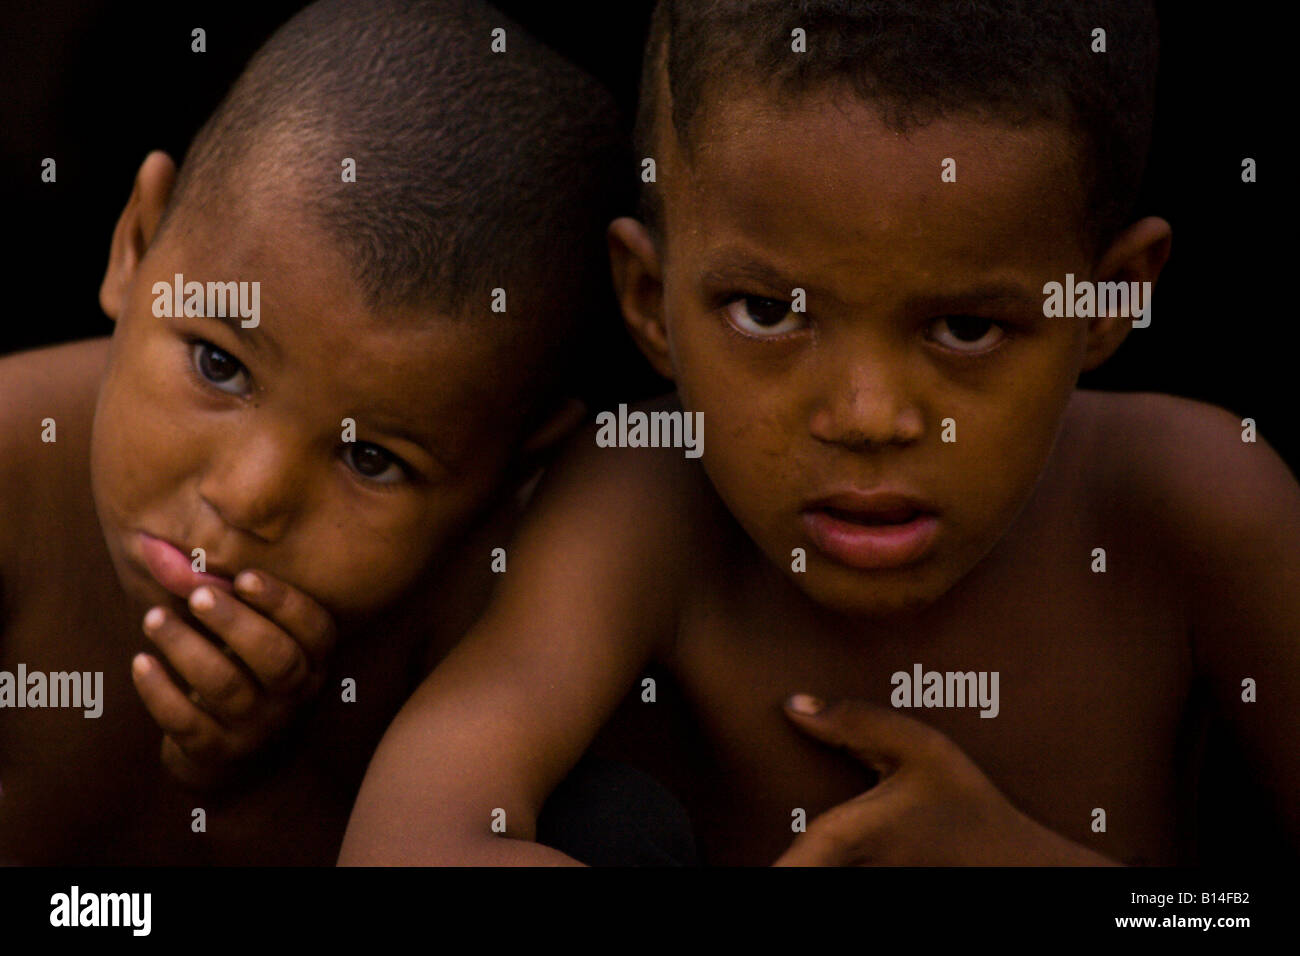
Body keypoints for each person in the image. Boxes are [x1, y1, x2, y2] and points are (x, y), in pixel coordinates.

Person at [340, 0, 1299, 866]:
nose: (868, 419)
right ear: (647, 299)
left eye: (967, 328)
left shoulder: (1194, 507)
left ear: (1110, 298)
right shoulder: (649, 503)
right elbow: (407, 845)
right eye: (767, 312)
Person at [0, 0, 625, 864]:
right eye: (219, 366)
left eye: (372, 459)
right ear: (134, 246)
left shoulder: (497, 624)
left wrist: (251, 780)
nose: (249, 496)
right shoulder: (8, 469)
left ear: (517, 466)